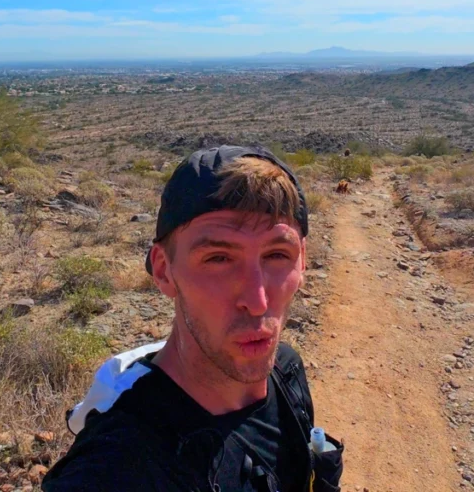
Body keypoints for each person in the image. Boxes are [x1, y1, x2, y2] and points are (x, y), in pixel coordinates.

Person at [42, 145, 344, 492]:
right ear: (163, 271)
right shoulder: (117, 467)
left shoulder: (286, 373)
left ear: (302, 261)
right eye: (218, 259)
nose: (257, 302)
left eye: (277, 254)